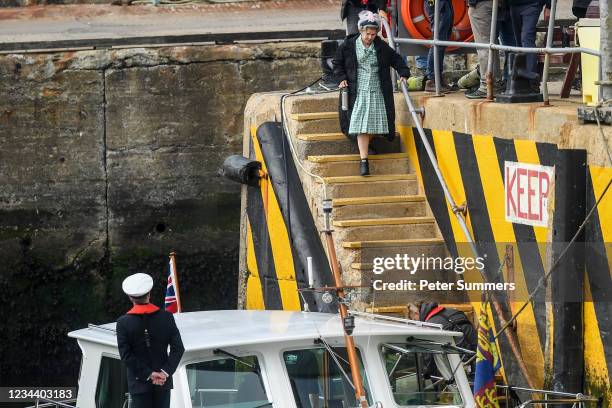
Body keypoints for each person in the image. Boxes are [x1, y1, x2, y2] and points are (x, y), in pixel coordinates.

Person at [333, 11, 410, 176]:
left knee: (374, 125)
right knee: (361, 126)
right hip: (357, 90)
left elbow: (396, 59)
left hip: (377, 91)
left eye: (373, 34)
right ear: (361, 30)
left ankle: (367, 149)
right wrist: (341, 78)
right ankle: (364, 161)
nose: (370, 37)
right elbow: (337, 63)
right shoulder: (348, 45)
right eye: (367, 33)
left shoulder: (381, 47)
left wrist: (403, 73)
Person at [116, 273, 185, 408]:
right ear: (149, 293)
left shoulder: (123, 323)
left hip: (139, 384)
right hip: (163, 383)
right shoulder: (167, 317)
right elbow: (178, 348)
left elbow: (126, 356)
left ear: (130, 297)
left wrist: (149, 374)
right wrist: (164, 372)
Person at [508, 0, 548, 90]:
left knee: (526, 38)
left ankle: (532, 82)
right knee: (518, 43)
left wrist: (549, 5)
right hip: (513, 5)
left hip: (533, 4)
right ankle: (521, 83)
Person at [423, 0, 454, 93]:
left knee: (442, 40)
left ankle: (438, 79)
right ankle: (431, 80)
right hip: (437, 3)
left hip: (445, 2)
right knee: (438, 40)